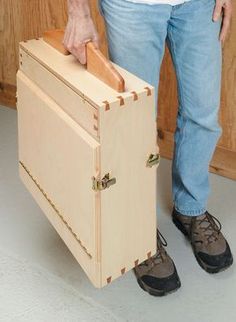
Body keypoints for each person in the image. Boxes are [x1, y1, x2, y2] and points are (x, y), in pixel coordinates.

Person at [63, 0, 233, 297]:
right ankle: (137, 232)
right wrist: (78, 12)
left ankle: (190, 209)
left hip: (199, 6)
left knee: (203, 115)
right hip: (132, 6)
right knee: (134, 126)